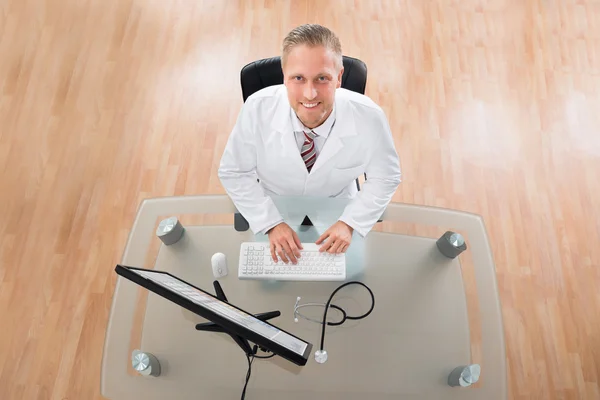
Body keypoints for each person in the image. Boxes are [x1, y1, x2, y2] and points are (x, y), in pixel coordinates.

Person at [218, 24, 401, 265]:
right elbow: (234, 171)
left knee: (347, 284)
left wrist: (351, 223)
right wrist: (270, 223)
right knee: (268, 287)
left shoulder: (369, 116)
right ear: (284, 75)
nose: (310, 94)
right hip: (274, 204)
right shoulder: (256, 108)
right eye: (298, 78)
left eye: (322, 78)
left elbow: (386, 177)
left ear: (339, 77)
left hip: (338, 207)